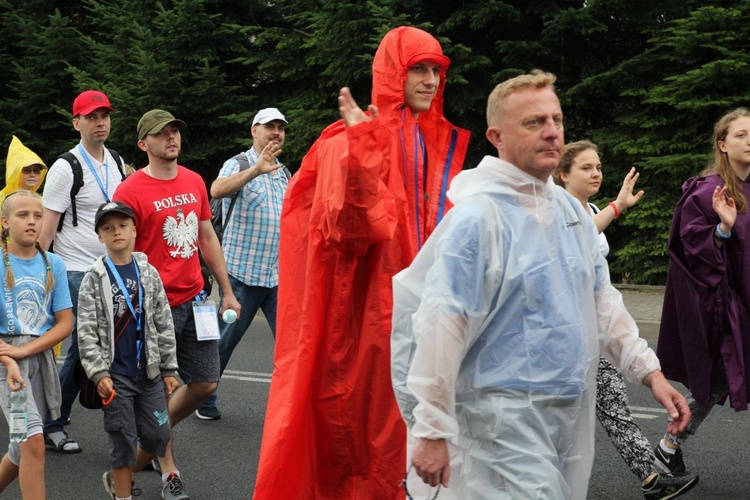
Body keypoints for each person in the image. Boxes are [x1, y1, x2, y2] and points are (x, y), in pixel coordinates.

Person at [390, 70, 690, 499]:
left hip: (562, 418)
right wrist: (432, 428)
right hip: (498, 421)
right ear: (496, 136)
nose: (552, 133)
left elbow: (602, 303)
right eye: (534, 122)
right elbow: (441, 327)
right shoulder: (479, 220)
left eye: (557, 120)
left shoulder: (570, 215)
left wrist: (650, 373)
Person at [254, 26, 470, 499]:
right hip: (367, 322)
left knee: (428, 446)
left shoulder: (437, 146)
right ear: (393, 72)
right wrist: (362, 152)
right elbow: (347, 232)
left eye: (437, 69)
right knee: (371, 449)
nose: (431, 79)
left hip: (425, 319)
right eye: (418, 68)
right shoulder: (344, 142)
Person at [553, 140, 698, 499]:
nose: (596, 173)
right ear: (563, 174)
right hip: (564, 334)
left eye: (598, 167)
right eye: (586, 168)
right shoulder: (559, 210)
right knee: (567, 419)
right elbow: (581, 238)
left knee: (610, 403)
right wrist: (618, 207)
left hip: (593, 327)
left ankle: (651, 476)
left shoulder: (590, 207)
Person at [113, 109, 241, 494]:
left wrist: (227, 290)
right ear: (143, 144)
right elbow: (121, 253)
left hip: (195, 300)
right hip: (153, 308)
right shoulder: (130, 192)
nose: (171, 138)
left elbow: (206, 237)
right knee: (162, 391)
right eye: (161, 133)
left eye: (174, 131)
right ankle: (169, 470)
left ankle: (139, 451)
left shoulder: (194, 180)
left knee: (204, 383)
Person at [655, 107, 750, 478]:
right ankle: (668, 446)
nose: (749, 140)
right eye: (741, 134)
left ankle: (668, 447)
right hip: (725, 307)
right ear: (722, 144)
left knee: (719, 381)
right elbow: (690, 249)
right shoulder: (708, 191)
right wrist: (723, 229)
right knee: (715, 382)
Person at [76, 201, 185, 500]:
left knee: (159, 433)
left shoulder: (148, 273)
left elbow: (163, 321)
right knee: (122, 440)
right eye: (108, 228)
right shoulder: (93, 278)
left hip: (149, 374)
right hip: (116, 378)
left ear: (135, 230)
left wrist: (168, 368)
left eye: (123, 225)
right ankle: (123, 493)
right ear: (99, 236)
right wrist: (98, 373)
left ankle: (116, 477)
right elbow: (85, 331)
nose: (116, 232)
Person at [39, 90, 127, 453]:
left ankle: (104, 418)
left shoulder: (118, 160)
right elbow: (46, 229)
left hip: (111, 268)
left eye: (104, 115)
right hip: (75, 271)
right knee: (81, 348)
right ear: (76, 122)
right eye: (91, 116)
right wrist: (40, 277)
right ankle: (51, 423)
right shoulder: (66, 167)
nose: (100, 122)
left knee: (112, 345)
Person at [196, 108, 289, 420]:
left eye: (280, 128)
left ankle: (294, 410)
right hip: (239, 277)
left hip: (276, 278)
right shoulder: (240, 163)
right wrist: (256, 170)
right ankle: (203, 399)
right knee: (222, 344)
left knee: (292, 348)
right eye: (269, 127)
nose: (276, 132)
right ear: (254, 131)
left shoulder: (284, 173)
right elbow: (216, 190)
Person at [0, 190, 74, 498]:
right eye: (22, 215)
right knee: (32, 443)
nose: (32, 222)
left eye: (37, 215)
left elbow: (66, 322)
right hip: (9, 371)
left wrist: (25, 351)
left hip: (38, 363)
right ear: (4, 222)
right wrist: (10, 359)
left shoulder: (53, 263)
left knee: (21, 448)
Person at [0, 136, 47, 205]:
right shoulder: (2, 200)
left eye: (36, 171)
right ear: (15, 173)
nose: (32, 175)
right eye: (27, 171)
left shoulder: (41, 202)